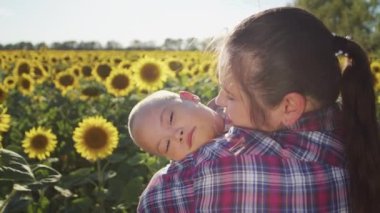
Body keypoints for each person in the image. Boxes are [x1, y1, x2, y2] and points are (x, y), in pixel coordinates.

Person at [137, 7, 380, 212]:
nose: (219, 101)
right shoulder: (360, 139)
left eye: (231, 95)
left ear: (288, 106)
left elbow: (150, 203)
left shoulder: (215, 168)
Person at [128, 90, 225, 161]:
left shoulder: (237, 101)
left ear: (189, 97)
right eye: (167, 145)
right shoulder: (188, 178)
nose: (177, 135)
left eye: (171, 118)